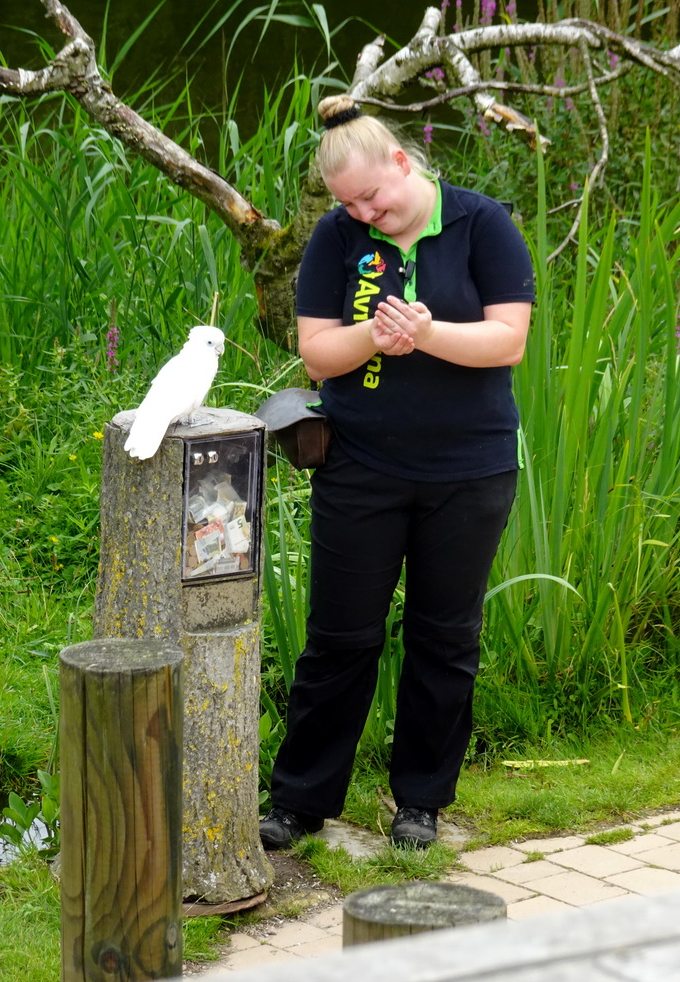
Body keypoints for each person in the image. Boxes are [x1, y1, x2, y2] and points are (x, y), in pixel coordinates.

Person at [259, 94, 534, 850]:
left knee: (445, 639)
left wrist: (429, 332)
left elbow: (507, 341)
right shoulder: (335, 235)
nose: (364, 213)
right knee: (340, 637)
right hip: (361, 467)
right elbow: (317, 353)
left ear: (404, 164)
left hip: (469, 472)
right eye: (350, 204)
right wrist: (376, 339)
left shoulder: (483, 224)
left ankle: (420, 802)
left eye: (372, 196)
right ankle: (301, 800)